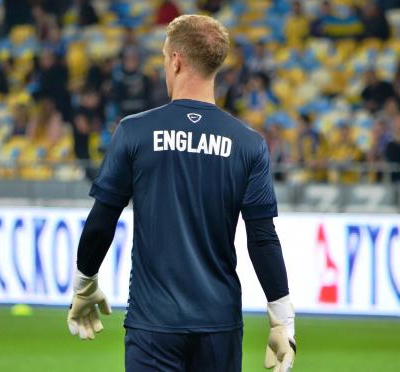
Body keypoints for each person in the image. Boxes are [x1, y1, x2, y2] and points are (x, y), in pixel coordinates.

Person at [67, 15, 296, 372]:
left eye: (162, 57)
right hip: (219, 327)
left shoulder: (134, 132)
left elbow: (101, 221)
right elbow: (263, 239)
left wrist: (85, 282)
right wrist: (283, 320)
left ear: (175, 59)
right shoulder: (248, 144)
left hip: (153, 325)